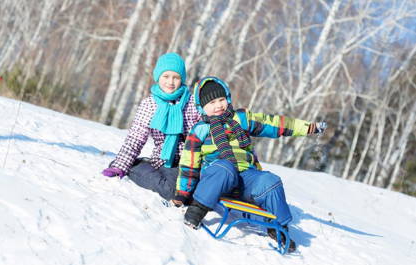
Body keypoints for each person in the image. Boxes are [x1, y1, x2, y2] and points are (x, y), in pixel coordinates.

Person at [174, 76, 327, 252]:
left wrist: (308, 127)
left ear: (228, 98)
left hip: (246, 179)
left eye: (221, 99)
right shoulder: (199, 129)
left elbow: (275, 124)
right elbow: (189, 164)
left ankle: (277, 227)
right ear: (202, 107)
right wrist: (183, 194)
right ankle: (197, 210)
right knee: (225, 168)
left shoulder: (242, 119)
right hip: (217, 180)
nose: (218, 105)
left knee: (271, 181)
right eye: (212, 103)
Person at [102, 53, 200, 206]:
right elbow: (136, 138)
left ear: (182, 79)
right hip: (165, 161)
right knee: (172, 191)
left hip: (190, 161)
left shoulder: (192, 103)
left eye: (176, 77)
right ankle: (132, 166)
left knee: (193, 193)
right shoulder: (149, 104)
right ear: (158, 76)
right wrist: (119, 165)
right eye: (166, 76)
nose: (170, 82)